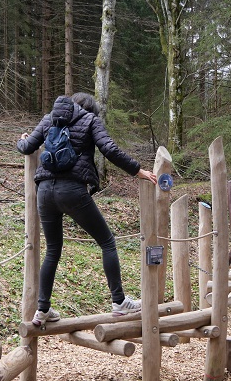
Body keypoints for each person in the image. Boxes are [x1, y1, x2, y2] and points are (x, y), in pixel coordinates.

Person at [17, 93, 158, 326]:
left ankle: (42, 310)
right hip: (72, 191)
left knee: (52, 250)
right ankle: (119, 302)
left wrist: (22, 140)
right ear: (89, 109)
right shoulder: (90, 120)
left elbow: (27, 146)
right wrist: (138, 171)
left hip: (43, 192)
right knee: (107, 242)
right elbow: (110, 150)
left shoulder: (50, 118)